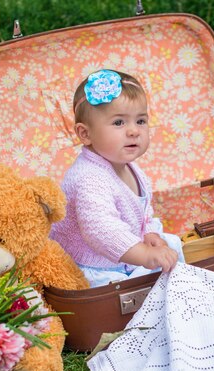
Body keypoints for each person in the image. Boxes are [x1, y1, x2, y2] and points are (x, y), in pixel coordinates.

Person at [50, 69, 185, 288]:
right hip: (94, 267)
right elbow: (101, 230)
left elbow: (143, 210)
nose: (134, 131)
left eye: (140, 121)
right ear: (85, 134)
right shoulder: (90, 178)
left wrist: (149, 231)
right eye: (119, 123)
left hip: (123, 253)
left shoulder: (127, 166)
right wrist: (144, 255)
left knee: (171, 245)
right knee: (131, 292)